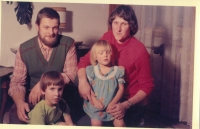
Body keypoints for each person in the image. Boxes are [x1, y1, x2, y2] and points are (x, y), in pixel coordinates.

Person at [77, 5, 154, 127]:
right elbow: (85, 60)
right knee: (82, 124)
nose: (118, 29)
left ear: (131, 26)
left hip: (128, 100)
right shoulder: (108, 37)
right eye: (115, 22)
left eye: (124, 24)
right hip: (105, 96)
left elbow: (147, 86)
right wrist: (82, 82)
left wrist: (125, 105)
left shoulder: (140, 50)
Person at [8, 7, 77, 124]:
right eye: (46, 27)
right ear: (37, 26)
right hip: (33, 98)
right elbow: (17, 82)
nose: (51, 32)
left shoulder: (68, 44)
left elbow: (71, 75)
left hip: (59, 96)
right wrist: (20, 103)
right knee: (16, 116)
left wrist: (42, 84)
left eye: (55, 27)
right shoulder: (24, 49)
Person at [83, 40, 125, 126]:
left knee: (121, 124)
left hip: (112, 104)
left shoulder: (118, 71)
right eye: (101, 53)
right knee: (96, 123)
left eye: (108, 52)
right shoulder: (92, 70)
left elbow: (121, 89)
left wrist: (113, 102)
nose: (105, 55)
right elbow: (89, 89)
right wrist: (94, 101)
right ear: (95, 57)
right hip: (96, 106)